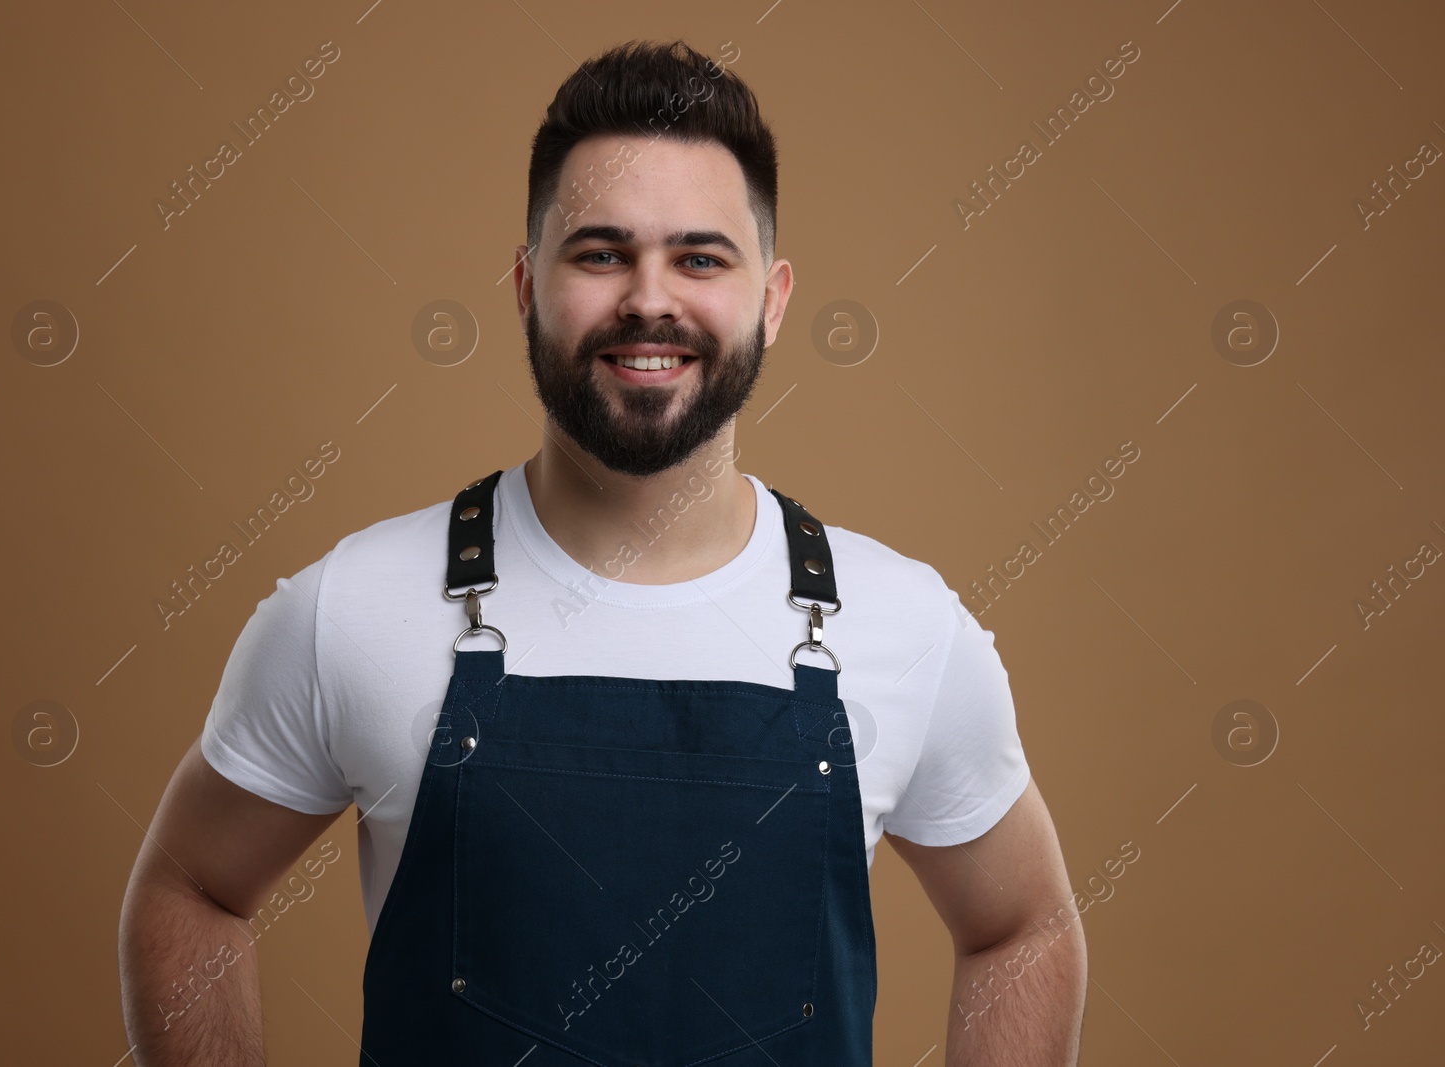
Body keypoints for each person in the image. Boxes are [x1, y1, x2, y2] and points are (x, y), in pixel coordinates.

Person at [118, 38, 1087, 1066]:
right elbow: (190, 890)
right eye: (601, 252)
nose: (648, 300)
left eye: (699, 257)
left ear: (774, 296)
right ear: (528, 285)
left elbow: (1023, 925)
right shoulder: (353, 608)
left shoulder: (904, 626)